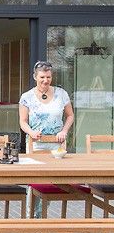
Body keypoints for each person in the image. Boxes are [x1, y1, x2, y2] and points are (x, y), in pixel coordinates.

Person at [19, 60, 74, 217]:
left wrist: (64, 131)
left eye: (48, 77)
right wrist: (31, 132)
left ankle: (42, 216)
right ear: (35, 77)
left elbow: (70, 116)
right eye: (42, 77)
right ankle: (31, 217)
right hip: (36, 145)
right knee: (35, 181)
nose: (45, 80)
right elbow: (23, 121)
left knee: (51, 182)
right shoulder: (27, 97)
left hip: (57, 146)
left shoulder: (61, 94)